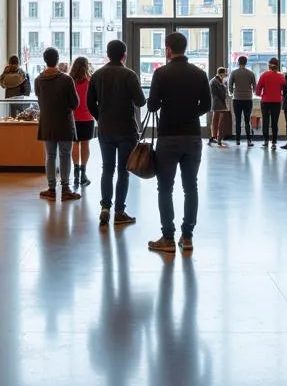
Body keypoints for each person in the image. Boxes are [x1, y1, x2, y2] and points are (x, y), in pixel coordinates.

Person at [146, 33, 211, 254]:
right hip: (193, 136)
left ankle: (167, 237)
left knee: (165, 187)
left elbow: (153, 105)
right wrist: (190, 112)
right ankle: (187, 236)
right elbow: (207, 104)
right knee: (190, 187)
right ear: (186, 47)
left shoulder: (161, 73)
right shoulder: (199, 73)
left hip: (168, 137)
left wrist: (167, 105)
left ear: (168, 49)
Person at [87, 39, 146, 227]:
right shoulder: (129, 75)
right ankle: (119, 212)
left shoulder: (97, 75)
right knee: (123, 171)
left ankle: (105, 208)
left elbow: (90, 103)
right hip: (126, 130)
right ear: (124, 55)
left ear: (107, 53)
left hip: (105, 129)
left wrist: (100, 117)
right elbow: (141, 102)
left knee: (107, 169)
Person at [35, 47, 80, 201]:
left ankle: (51, 188)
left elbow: (40, 100)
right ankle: (66, 189)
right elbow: (75, 104)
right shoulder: (67, 80)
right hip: (65, 123)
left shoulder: (38, 80)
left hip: (47, 122)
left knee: (50, 156)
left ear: (45, 60)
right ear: (58, 59)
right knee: (65, 155)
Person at [70, 57, 95, 189]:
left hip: (72, 117)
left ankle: (75, 173)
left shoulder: (70, 81)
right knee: (85, 145)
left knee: (74, 144)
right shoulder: (90, 82)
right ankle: (83, 174)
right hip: (87, 117)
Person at [228, 56, 257, 148]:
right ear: (246, 62)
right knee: (247, 120)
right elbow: (255, 87)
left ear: (238, 62)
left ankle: (237, 140)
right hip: (248, 99)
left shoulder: (234, 73)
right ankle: (249, 140)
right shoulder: (251, 73)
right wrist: (251, 91)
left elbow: (230, 84)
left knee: (238, 120)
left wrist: (232, 93)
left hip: (237, 99)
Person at [256, 57, 284, 149]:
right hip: (277, 101)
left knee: (266, 121)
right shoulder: (281, 76)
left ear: (269, 65)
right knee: (274, 122)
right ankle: (274, 142)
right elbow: (284, 88)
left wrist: (260, 94)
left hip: (265, 101)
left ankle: (266, 141)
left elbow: (258, 88)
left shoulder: (264, 75)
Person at [209, 67, 229, 147]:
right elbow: (222, 93)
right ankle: (219, 139)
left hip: (216, 103)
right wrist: (224, 86)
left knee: (215, 120)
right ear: (221, 73)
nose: (225, 75)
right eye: (225, 73)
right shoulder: (217, 82)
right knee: (221, 122)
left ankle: (214, 137)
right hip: (219, 104)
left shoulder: (213, 80)